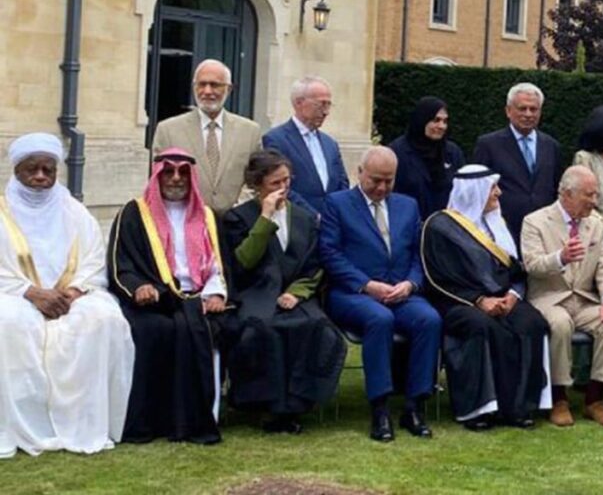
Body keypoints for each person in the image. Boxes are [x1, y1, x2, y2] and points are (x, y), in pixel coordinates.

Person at [0, 133, 134, 459]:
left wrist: (72, 292)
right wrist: (31, 293)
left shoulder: (75, 211)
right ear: (17, 170)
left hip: (70, 297)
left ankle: (85, 422)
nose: (40, 176)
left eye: (48, 170)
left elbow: (93, 261)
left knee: (104, 319)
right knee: (8, 321)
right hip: (15, 295)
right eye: (32, 169)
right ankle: (20, 426)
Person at [108, 147, 232, 444]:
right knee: (154, 330)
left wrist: (216, 294)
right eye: (168, 172)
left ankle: (191, 420)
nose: (176, 178)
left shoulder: (207, 216)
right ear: (157, 176)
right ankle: (148, 421)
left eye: (183, 173)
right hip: (154, 301)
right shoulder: (134, 213)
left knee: (202, 329)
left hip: (198, 299)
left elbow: (219, 264)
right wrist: (139, 287)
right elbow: (121, 263)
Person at [320, 146, 442, 442]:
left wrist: (410, 284)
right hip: (353, 293)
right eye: (375, 180)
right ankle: (380, 407)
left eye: (389, 181)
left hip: (400, 292)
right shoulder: (337, 204)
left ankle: (415, 405)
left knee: (429, 320)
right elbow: (330, 253)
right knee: (379, 319)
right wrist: (366, 285)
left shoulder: (407, 205)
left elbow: (418, 254)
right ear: (360, 173)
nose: (382, 188)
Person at [221, 150, 346, 434]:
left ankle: (297, 403)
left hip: (295, 294)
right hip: (256, 292)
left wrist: (297, 292)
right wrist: (265, 218)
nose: (283, 188)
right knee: (263, 328)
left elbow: (315, 265)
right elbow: (242, 262)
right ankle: (267, 406)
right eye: (275, 183)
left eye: (287, 181)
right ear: (257, 184)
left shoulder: (304, 218)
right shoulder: (238, 218)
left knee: (316, 326)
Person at [421, 165, 551, 430]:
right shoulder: (440, 227)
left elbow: (516, 271)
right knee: (482, 326)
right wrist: (479, 300)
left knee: (532, 322)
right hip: (459, 302)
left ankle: (519, 407)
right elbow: (438, 279)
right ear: (474, 192)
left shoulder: (497, 223)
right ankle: (478, 409)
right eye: (493, 187)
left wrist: (513, 296)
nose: (499, 193)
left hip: (504, 298)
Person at [520, 165, 603, 427]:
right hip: (549, 298)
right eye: (589, 195)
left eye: (596, 194)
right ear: (567, 194)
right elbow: (532, 265)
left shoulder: (597, 225)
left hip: (584, 299)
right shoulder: (534, 221)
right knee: (559, 324)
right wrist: (561, 258)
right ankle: (559, 398)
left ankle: (595, 398)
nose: (594, 200)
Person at [152, 58, 262, 214]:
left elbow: (256, 178)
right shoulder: (168, 130)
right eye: (202, 84)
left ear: (229, 89)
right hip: (186, 220)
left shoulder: (250, 132)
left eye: (215, 85)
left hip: (236, 222)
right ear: (194, 87)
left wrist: (237, 211)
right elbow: (158, 179)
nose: (207, 91)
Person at [472, 82, 562, 245]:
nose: (528, 114)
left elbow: (556, 187)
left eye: (533, 109)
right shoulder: (489, 145)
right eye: (522, 108)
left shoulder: (551, 146)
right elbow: (480, 190)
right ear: (508, 111)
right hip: (504, 230)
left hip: (543, 232)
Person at [262, 76, 350, 216]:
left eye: (328, 105)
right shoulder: (276, 139)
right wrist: (311, 216)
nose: (326, 112)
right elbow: (279, 186)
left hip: (331, 222)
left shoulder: (330, 144)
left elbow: (342, 183)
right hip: (297, 221)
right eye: (321, 104)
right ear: (299, 103)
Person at [390, 96, 466, 217]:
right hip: (409, 223)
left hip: (446, 225)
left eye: (445, 121)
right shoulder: (397, 152)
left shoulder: (452, 153)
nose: (442, 126)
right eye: (436, 120)